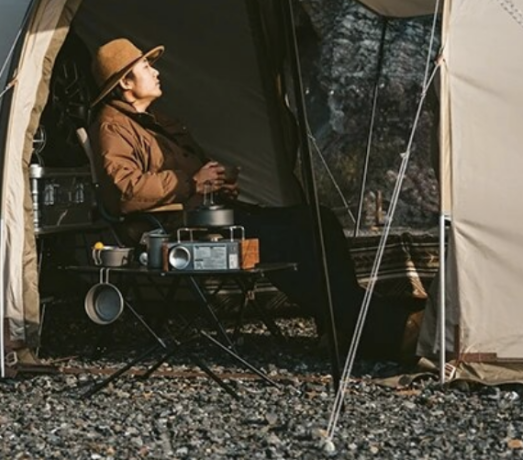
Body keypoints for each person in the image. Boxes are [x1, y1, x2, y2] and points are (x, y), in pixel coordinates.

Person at [87, 37, 422, 361]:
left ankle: (339, 327)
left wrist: (215, 185)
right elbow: (123, 192)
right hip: (176, 230)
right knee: (285, 242)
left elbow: (190, 176)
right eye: (146, 66)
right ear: (126, 83)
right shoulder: (112, 126)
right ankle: (389, 331)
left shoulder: (156, 123)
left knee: (318, 219)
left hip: (206, 216)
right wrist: (191, 183)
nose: (156, 72)